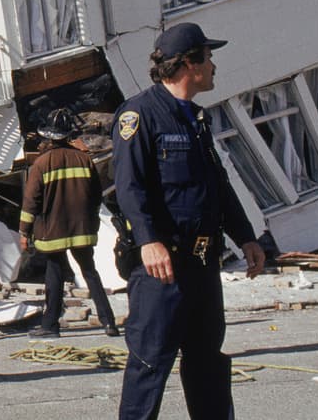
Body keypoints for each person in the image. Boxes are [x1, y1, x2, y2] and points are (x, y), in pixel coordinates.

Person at [113, 22, 266, 420]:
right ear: (188, 64)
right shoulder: (139, 114)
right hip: (162, 269)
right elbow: (129, 186)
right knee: (149, 366)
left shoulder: (195, 118)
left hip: (201, 264)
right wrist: (148, 239)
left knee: (207, 362)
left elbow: (217, 185)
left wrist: (247, 238)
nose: (214, 64)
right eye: (208, 57)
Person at [19, 107, 119, 338]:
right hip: (82, 230)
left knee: (54, 275)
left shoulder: (41, 165)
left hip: (53, 232)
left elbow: (30, 202)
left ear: (47, 136)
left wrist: (24, 232)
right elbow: (96, 196)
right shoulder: (85, 160)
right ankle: (109, 323)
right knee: (90, 273)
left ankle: (50, 325)